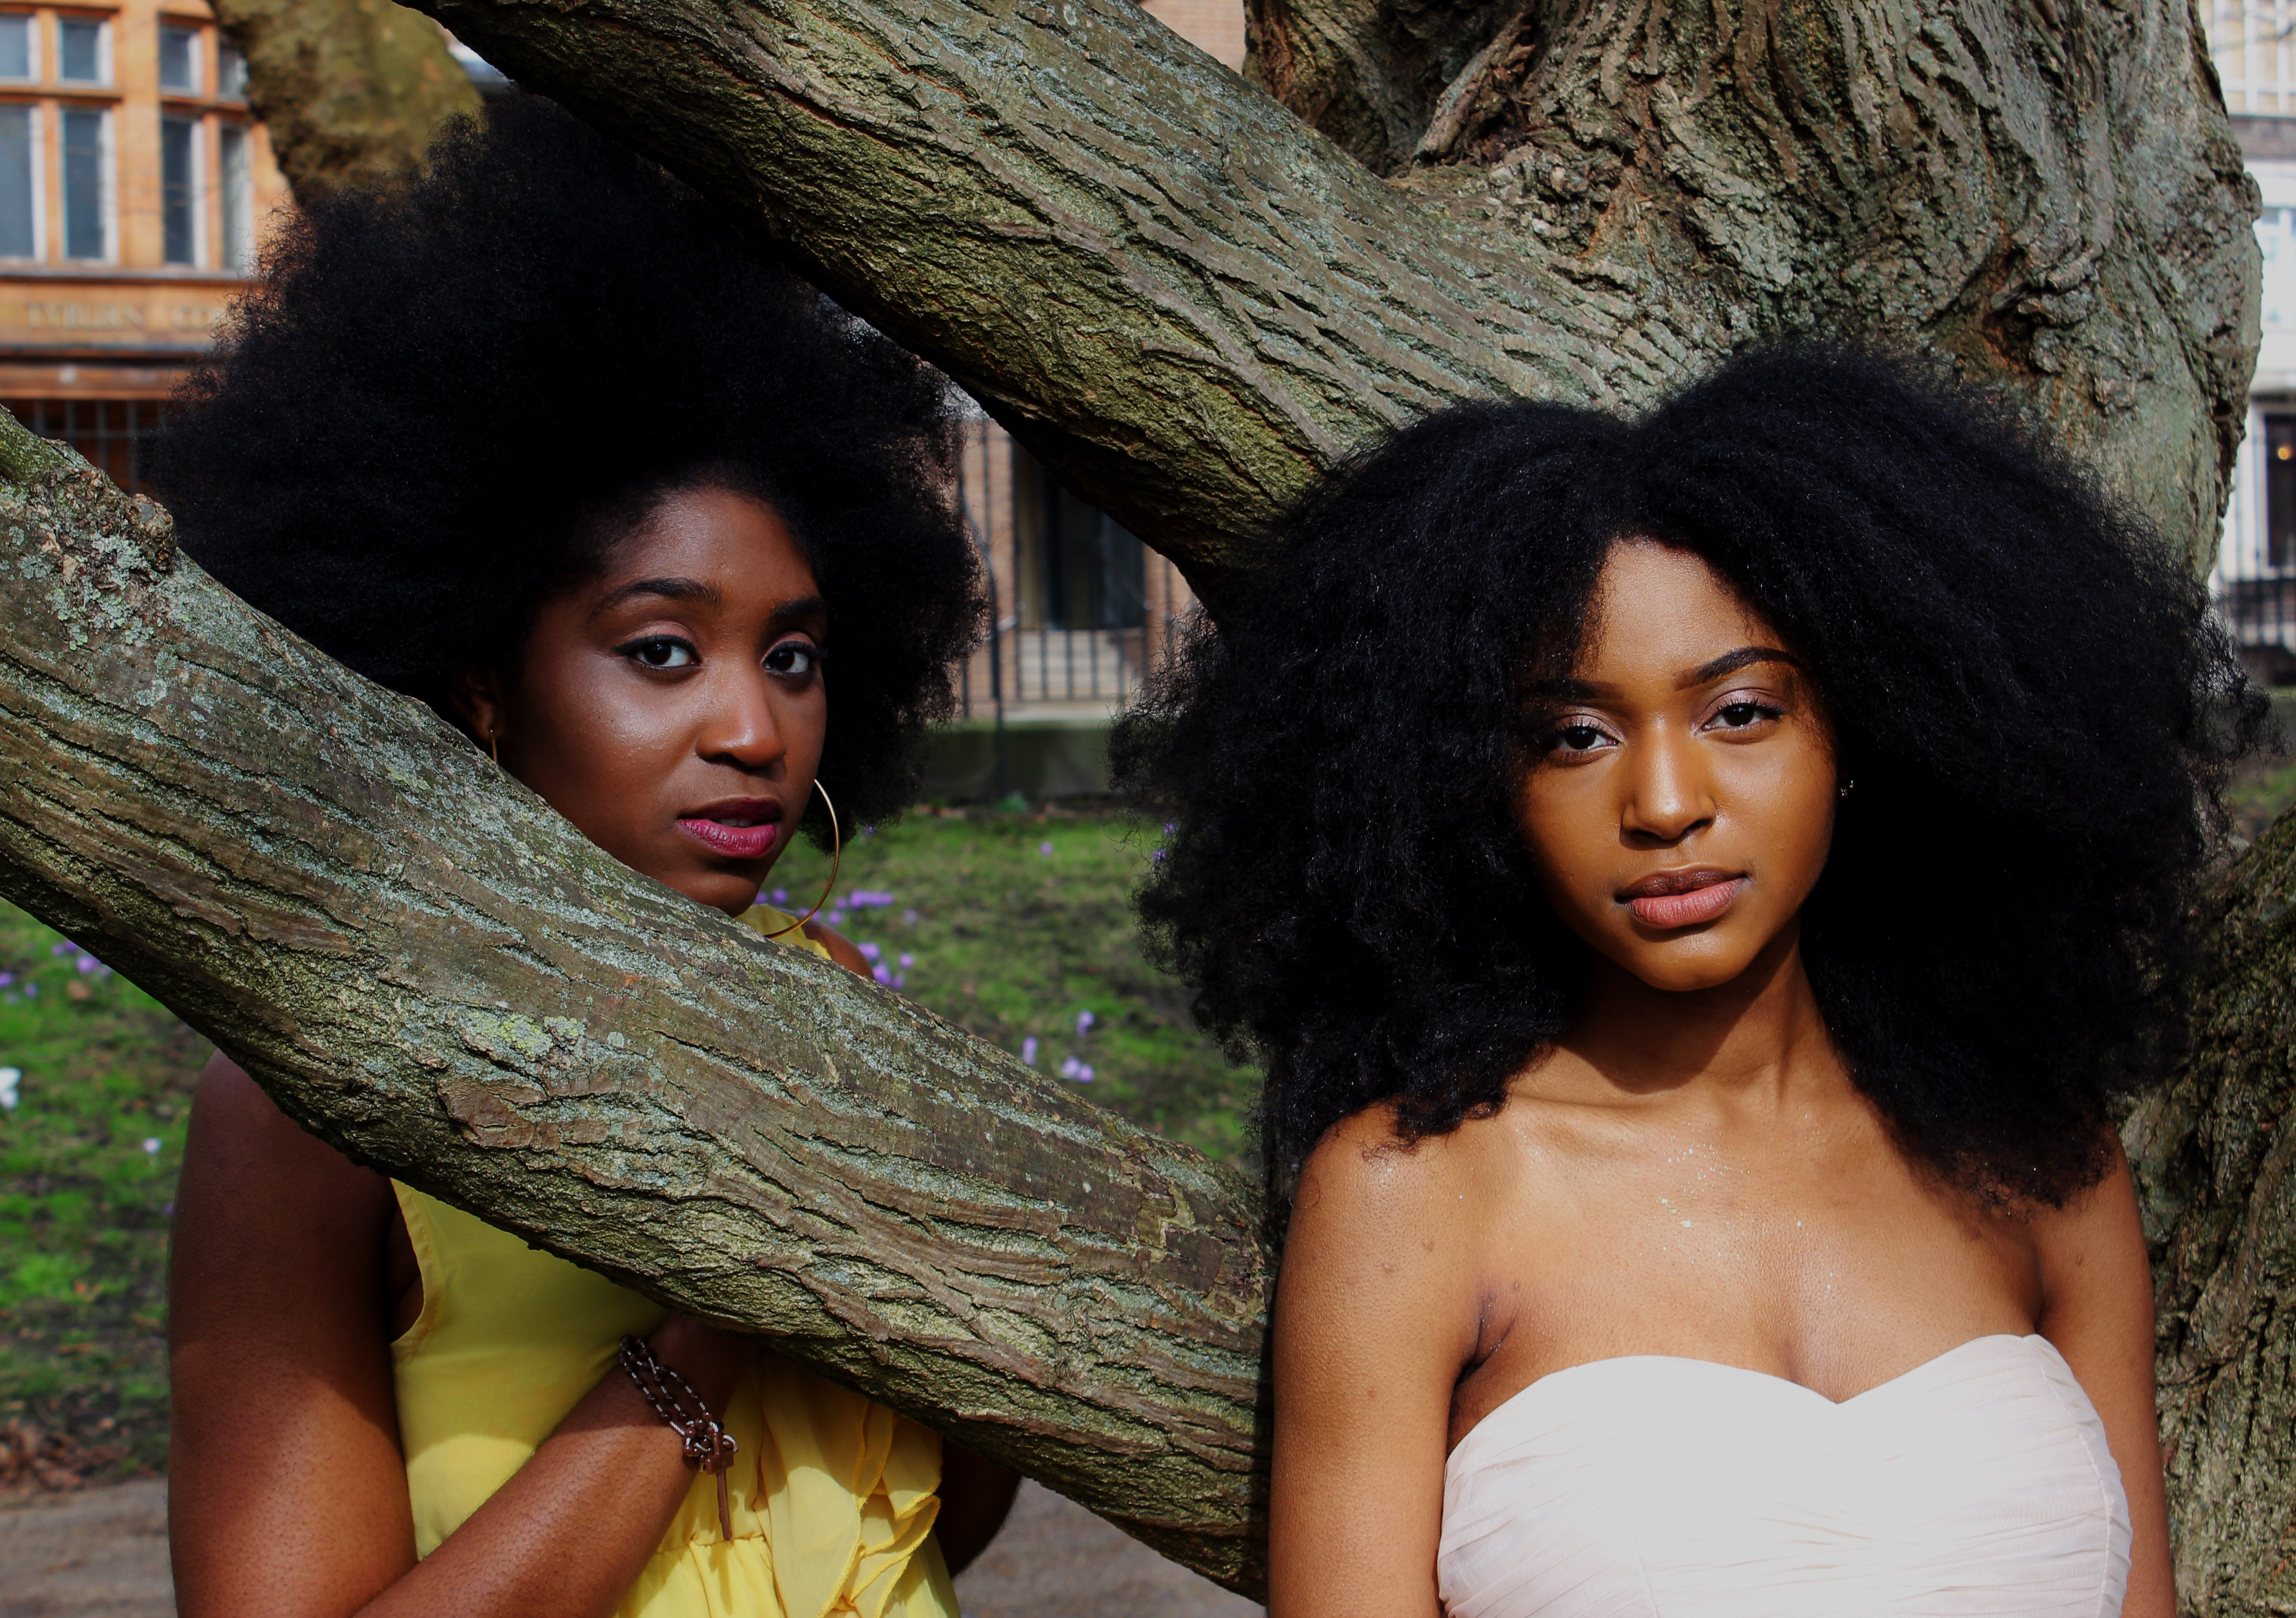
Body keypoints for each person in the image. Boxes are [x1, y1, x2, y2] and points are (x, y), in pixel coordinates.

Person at [1115, 346, 2262, 1618]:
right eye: (1576, 736)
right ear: (1473, 786)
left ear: (1866, 729)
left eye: (1741, 713)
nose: (1664, 804)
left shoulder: (2041, 1164)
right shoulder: (1417, 1195)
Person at [154, 96, 1017, 1618]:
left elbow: (944, 1509)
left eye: (795, 657)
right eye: (662, 650)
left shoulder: (830, 997)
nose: (754, 728)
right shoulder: (310, 1106)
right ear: (484, 682)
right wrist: (710, 1329)